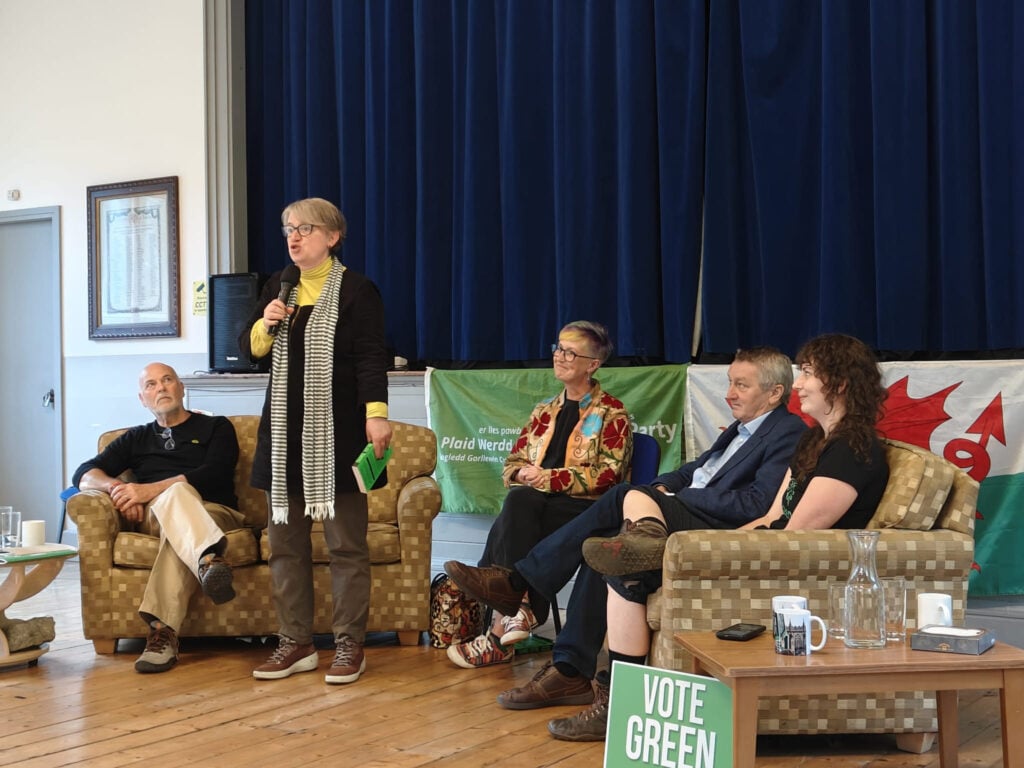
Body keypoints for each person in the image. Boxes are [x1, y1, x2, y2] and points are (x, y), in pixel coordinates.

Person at [443, 346, 805, 733]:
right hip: (684, 510)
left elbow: (754, 503)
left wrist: (667, 499)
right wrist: (662, 488)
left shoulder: (787, 432)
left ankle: (519, 585)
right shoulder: (741, 428)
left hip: (711, 529)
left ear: (774, 393)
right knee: (604, 544)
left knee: (620, 496)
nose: (729, 393)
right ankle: (568, 667)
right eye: (730, 382)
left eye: (741, 385)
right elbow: (694, 471)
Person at [559, 332, 891, 741]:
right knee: (625, 568)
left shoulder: (854, 452)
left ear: (839, 384)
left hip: (787, 565)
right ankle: (620, 701)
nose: (798, 384)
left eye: (807, 374)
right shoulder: (814, 440)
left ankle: (613, 700)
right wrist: (716, 541)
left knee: (629, 508)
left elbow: (798, 534)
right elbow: (772, 515)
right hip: (763, 542)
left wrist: (716, 548)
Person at [240, 197, 391, 685]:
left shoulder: (357, 290)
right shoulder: (279, 286)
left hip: (339, 436)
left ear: (332, 236)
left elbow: (371, 358)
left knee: (346, 546)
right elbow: (252, 351)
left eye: (305, 228)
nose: (294, 236)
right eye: (288, 228)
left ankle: (349, 645)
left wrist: (378, 416)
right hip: (283, 438)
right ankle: (296, 642)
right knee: (285, 547)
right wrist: (265, 322)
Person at [446, 321, 633, 669]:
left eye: (570, 352)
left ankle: (503, 629)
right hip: (535, 509)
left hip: (584, 510)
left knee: (517, 507)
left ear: (593, 364)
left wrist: (546, 478)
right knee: (519, 503)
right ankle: (521, 612)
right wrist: (519, 472)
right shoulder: (543, 411)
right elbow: (512, 461)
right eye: (558, 349)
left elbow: (608, 476)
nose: (560, 358)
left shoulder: (612, 412)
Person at [72, 363, 243, 674]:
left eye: (167, 380)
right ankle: (207, 561)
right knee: (174, 501)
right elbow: (83, 474)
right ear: (142, 399)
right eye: (151, 385)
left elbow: (214, 474)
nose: (161, 388)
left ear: (181, 387)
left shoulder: (217, 427)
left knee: (178, 498)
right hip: (156, 516)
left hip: (214, 513)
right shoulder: (135, 438)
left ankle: (162, 631)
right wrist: (119, 489)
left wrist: (148, 489)